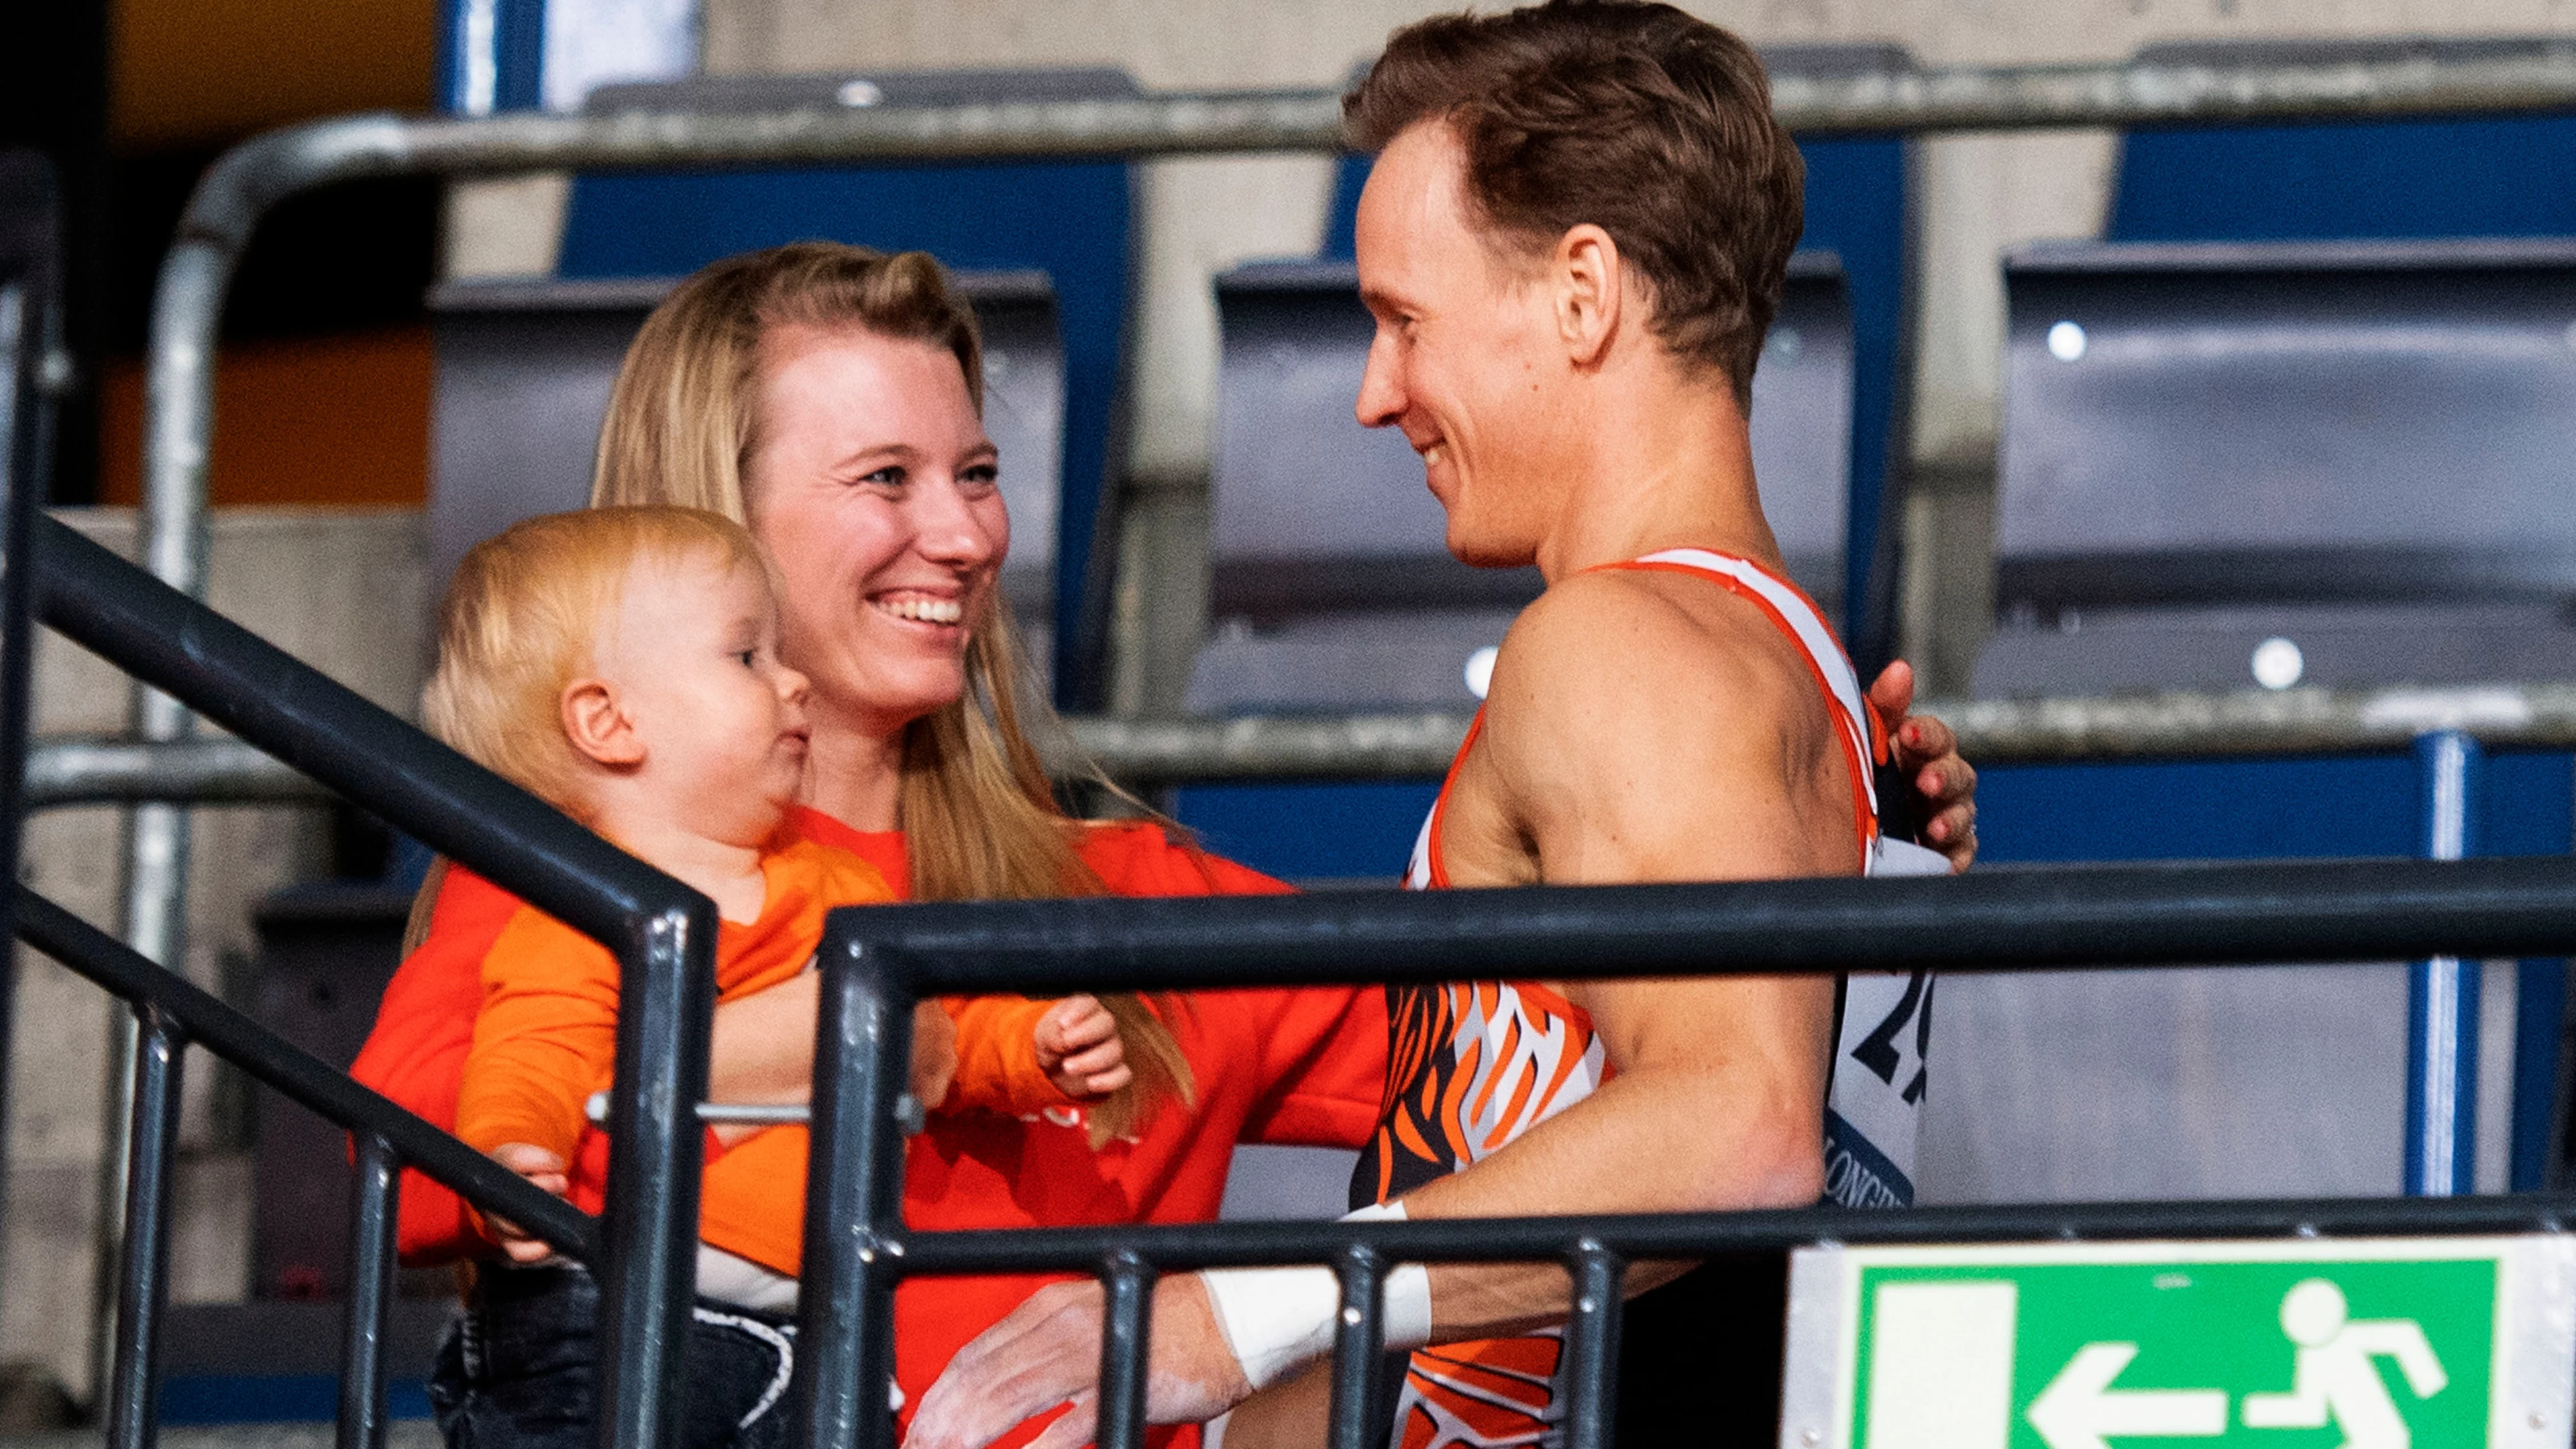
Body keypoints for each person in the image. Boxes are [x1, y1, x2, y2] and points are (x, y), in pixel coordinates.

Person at [352, 236, 1978, 1445]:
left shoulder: (1128, 898)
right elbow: (422, 1181)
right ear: (713, 522)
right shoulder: (563, 894)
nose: (963, 533)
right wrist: (862, 1040)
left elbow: (1578, 1063)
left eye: (978, 472)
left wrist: (1805, 843)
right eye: (886, 479)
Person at [903, 7, 1968, 1449]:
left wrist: (1233, 1319)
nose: (1373, 393)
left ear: (1584, 294)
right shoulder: (1794, 669)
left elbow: (1740, 1129)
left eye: (1406, 321)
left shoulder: (1622, 645)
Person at [418, 505, 1148, 1447]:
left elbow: (937, 1033)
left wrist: (1032, 1051)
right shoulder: (585, 910)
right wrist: (509, 1155)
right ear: (608, 721)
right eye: (747, 658)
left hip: (819, 1330)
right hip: (615, 1315)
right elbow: (534, 1055)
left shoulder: (834, 886)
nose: (794, 681)